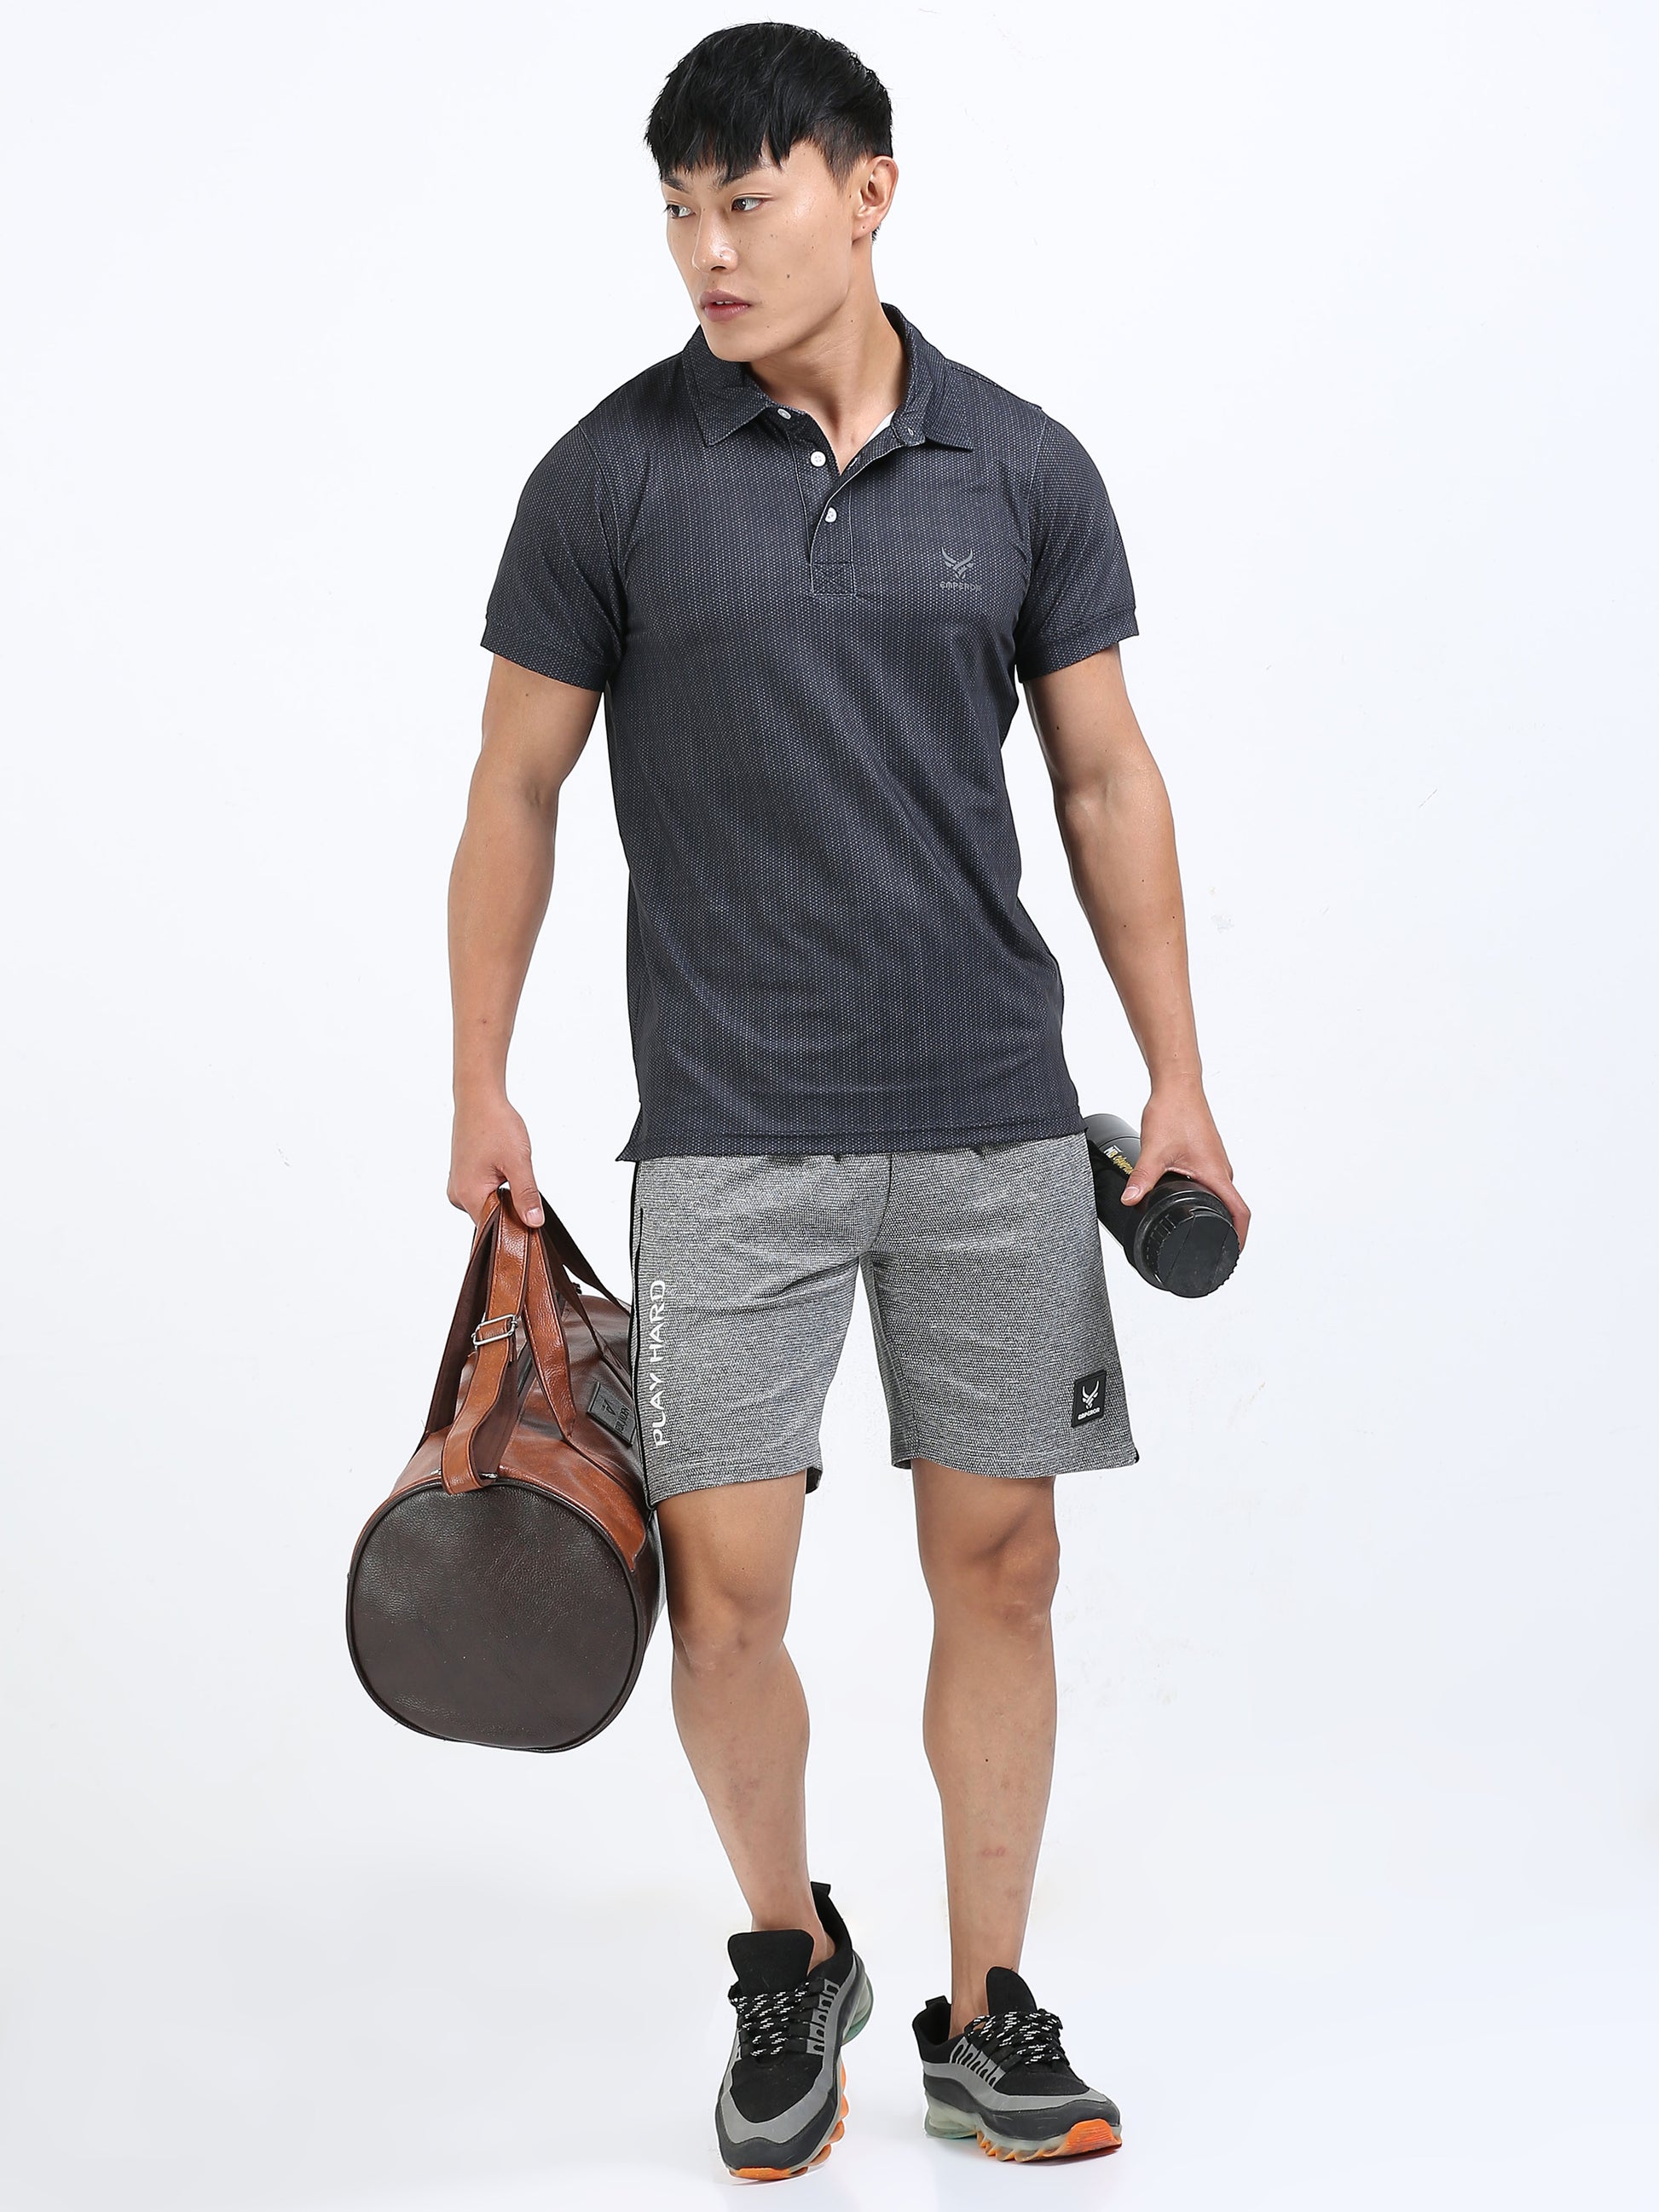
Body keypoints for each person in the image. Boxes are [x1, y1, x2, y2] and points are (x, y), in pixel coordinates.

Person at [448, 20, 1249, 2180]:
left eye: (749, 199)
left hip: (994, 1114)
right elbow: (515, 790)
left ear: (868, 192)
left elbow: (1105, 777)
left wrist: (1176, 1077)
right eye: (678, 211)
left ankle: (986, 2007)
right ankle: (787, 1953)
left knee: (1004, 1568)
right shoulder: (608, 475)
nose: (707, 248)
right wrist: (480, 1079)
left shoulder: (1021, 466)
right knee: (723, 1599)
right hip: (727, 1128)